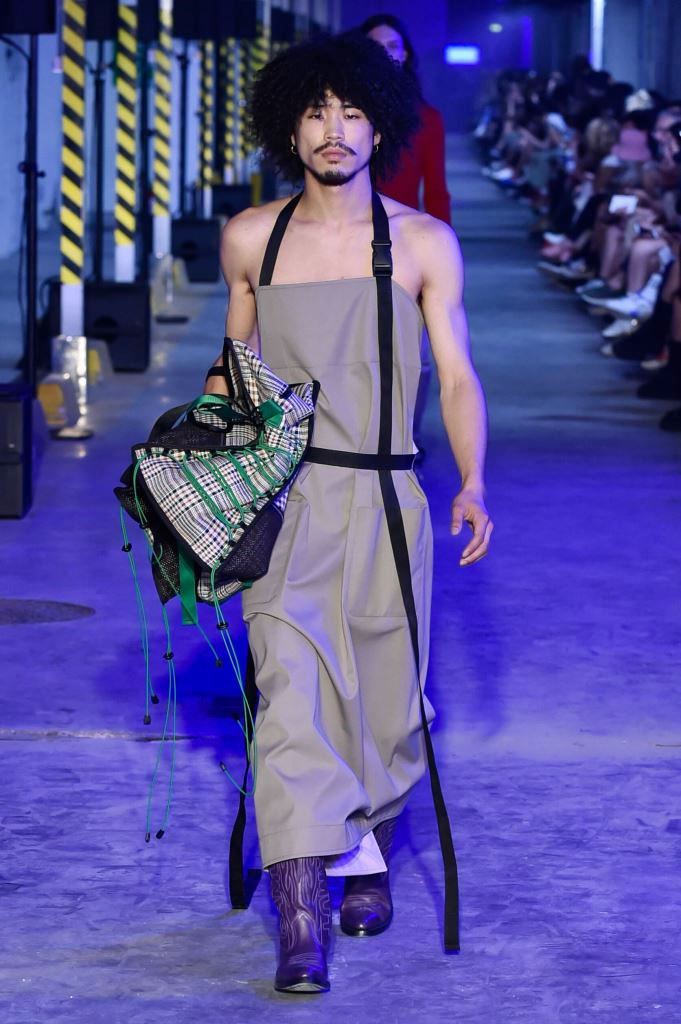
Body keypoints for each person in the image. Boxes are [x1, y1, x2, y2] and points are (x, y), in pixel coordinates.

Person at [207, 31, 492, 994]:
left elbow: (456, 375)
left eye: (353, 111)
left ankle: (363, 852)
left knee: (383, 703)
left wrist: (471, 480)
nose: (333, 130)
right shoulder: (252, 238)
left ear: (380, 125)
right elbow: (233, 369)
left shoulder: (421, 243)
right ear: (286, 128)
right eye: (314, 112)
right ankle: (299, 925)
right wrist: (195, 455)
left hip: (386, 498)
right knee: (289, 695)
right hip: (284, 501)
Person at [361, 13, 451, 225]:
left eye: (392, 46)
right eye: (375, 46)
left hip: (401, 233)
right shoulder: (340, 114)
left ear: (404, 55)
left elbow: (436, 193)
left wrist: (444, 239)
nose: (384, 54)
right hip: (342, 231)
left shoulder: (427, 119)